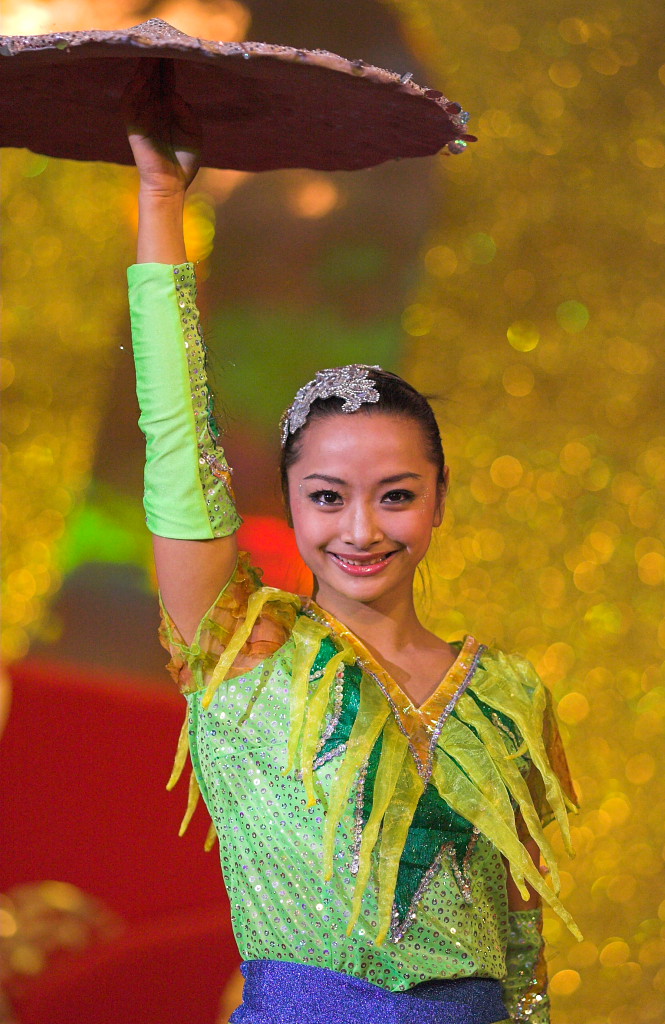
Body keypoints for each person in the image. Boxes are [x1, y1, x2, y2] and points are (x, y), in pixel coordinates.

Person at [125, 66, 579, 1024]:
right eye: (328, 498)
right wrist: (161, 204)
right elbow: (176, 445)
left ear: (439, 501)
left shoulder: (508, 694)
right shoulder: (245, 653)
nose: (362, 529)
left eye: (396, 496)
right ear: (290, 506)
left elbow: (522, 949)